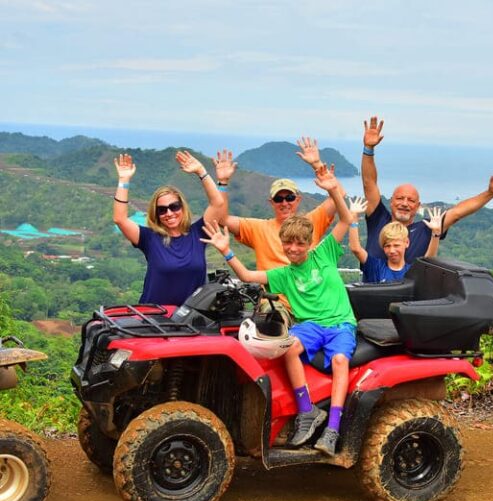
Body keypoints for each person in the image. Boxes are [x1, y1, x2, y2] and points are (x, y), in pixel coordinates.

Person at [202, 164, 355, 456]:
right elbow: (248, 276)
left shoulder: (324, 253)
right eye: (288, 244)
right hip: (310, 324)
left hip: (340, 324)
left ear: (309, 243)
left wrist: (333, 187)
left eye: (299, 244)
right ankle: (306, 411)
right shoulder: (283, 274)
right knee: (289, 346)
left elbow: (346, 218)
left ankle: (333, 426)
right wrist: (226, 250)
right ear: (282, 245)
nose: (294, 249)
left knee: (338, 361)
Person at [360, 116, 493, 281]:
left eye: (411, 200)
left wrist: (489, 194)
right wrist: (368, 149)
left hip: (407, 301)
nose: (405, 203)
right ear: (391, 201)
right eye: (400, 198)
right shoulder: (378, 218)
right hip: (371, 294)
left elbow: (457, 213)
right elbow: (369, 183)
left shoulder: (427, 228)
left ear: (417, 206)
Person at [112, 150, 231, 306]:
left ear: (182, 207)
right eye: (162, 210)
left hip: (191, 318)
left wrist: (201, 172)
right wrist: (123, 181)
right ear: (156, 214)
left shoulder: (198, 233)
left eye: (174, 207)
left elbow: (218, 203)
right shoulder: (149, 238)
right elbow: (119, 219)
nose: (169, 213)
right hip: (155, 318)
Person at [222, 137, 342, 272]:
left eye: (289, 197)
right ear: (271, 203)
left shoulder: (311, 222)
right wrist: (222, 183)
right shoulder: (258, 229)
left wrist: (317, 164)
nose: (284, 203)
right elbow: (221, 219)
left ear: (298, 199)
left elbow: (339, 196)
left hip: (306, 292)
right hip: (272, 293)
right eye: (279, 199)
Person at [348, 197, 443, 282]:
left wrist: (435, 234)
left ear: (406, 243)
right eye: (387, 246)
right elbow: (356, 248)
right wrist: (353, 218)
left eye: (396, 245)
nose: (392, 250)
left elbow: (428, 260)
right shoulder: (376, 267)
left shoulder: (412, 272)